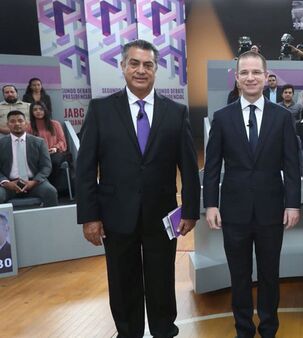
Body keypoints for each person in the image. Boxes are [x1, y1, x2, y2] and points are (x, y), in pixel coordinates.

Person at [76, 39, 200, 338]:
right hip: (115, 214)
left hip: (162, 215)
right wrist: (89, 216)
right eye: (134, 63)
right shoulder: (100, 110)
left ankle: (163, 331)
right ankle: (128, 332)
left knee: (161, 280)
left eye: (148, 65)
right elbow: (84, 168)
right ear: (122, 66)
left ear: (156, 70)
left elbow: (189, 165)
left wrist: (191, 210)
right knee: (122, 281)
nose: (141, 70)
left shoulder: (176, 112)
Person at [203, 51, 301, 338]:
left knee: (270, 274)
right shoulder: (221, 118)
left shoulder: (283, 117)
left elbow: (292, 166)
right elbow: (211, 168)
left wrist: (293, 204)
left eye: (256, 72)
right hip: (234, 211)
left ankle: (269, 328)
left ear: (266, 77)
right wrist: (210, 205)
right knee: (240, 275)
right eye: (244, 73)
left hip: (272, 210)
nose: (250, 77)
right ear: (236, 78)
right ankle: (243, 329)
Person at [0, 110, 58, 207]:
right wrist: (6, 183)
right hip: (9, 184)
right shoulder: (1, 144)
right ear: (8, 124)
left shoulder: (39, 142)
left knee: (50, 191)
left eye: (20, 120)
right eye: (13, 121)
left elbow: (46, 166)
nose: (17, 123)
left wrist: (33, 182)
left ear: (26, 124)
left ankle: (51, 221)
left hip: (34, 182)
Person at [26, 101, 69, 195]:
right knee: (38, 163)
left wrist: (55, 148)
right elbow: (28, 144)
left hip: (55, 152)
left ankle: (53, 189)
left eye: (40, 109)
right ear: (31, 112)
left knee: (53, 162)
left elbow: (62, 141)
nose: (38, 111)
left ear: (45, 110)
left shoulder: (55, 124)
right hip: (38, 155)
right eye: (35, 109)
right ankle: (42, 190)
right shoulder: (29, 126)